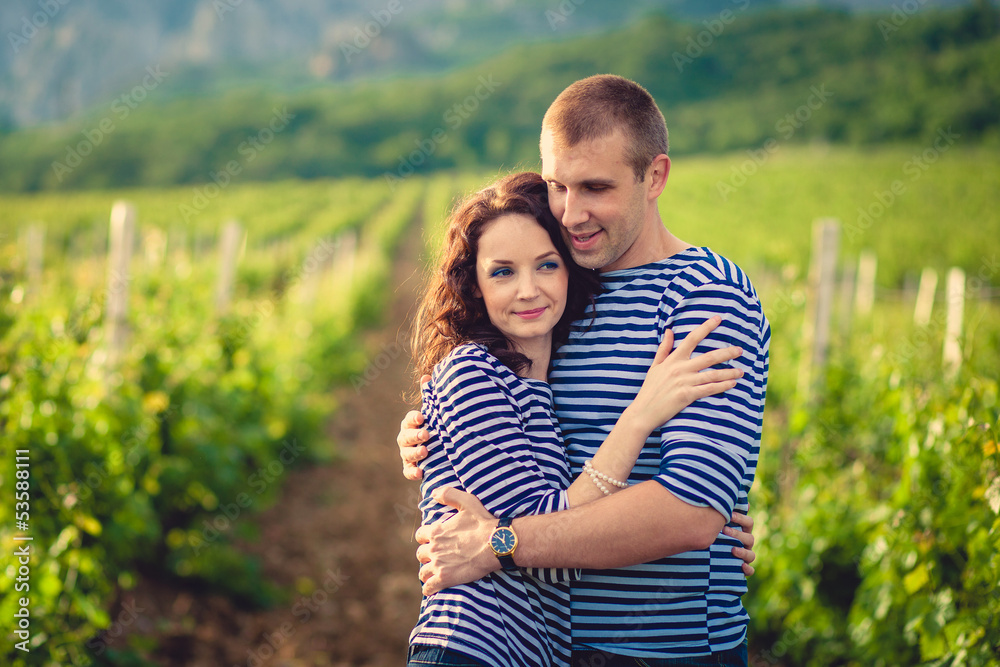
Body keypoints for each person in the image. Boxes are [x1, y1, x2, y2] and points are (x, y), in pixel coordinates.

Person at [398, 75, 770, 666]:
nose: (572, 213)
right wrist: (430, 430)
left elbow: (691, 511)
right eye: (558, 186)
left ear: (655, 176)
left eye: (596, 187)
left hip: (658, 649)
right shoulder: (561, 288)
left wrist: (500, 544)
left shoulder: (704, 297)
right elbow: (502, 410)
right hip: (541, 645)